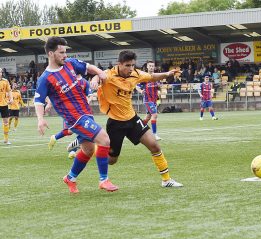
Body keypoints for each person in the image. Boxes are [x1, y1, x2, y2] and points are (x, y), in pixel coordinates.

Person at [34, 36, 118, 193]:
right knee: (105, 139)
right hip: (75, 118)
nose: (65, 55)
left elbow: (88, 67)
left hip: (85, 112)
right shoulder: (45, 79)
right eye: (61, 52)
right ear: (51, 54)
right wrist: (40, 119)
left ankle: (70, 178)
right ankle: (103, 180)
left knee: (88, 150)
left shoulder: (70, 64)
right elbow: (38, 101)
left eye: (65, 52)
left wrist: (100, 73)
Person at [90, 50, 183, 188]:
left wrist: (167, 74)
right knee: (111, 160)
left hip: (132, 119)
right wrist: (95, 79)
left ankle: (166, 180)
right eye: (127, 65)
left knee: (154, 145)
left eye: (133, 65)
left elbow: (151, 77)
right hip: (115, 123)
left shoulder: (135, 74)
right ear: (119, 64)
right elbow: (99, 75)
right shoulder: (109, 75)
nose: (131, 68)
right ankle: (92, 148)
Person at [48, 74, 93, 153]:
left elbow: (90, 95)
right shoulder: (68, 81)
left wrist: (87, 102)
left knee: (87, 129)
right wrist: (50, 103)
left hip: (83, 111)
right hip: (69, 111)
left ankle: (72, 150)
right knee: (70, 131)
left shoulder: (84, 82)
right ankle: (56, 138)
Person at [136, 61, 162, 141]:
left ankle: (137, 131)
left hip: (154, 100)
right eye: (150, 66)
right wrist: (141, 91)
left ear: (154, 67)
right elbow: (136, 86)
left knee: (147, 118)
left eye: (152, 66)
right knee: (155, 115)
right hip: (148, 100)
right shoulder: (144, 77)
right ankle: (154, 134)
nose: (151, 67)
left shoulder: (156, 77)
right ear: (147, 67)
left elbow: (159, 87)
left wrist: (159, 88)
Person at [0, 67, 13, 144]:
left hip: (4, 104)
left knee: (6, 122)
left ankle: (6, 139)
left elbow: (9, 91)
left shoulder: (5, 81)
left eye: (1, 72)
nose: (0, 73)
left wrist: (11, 98)